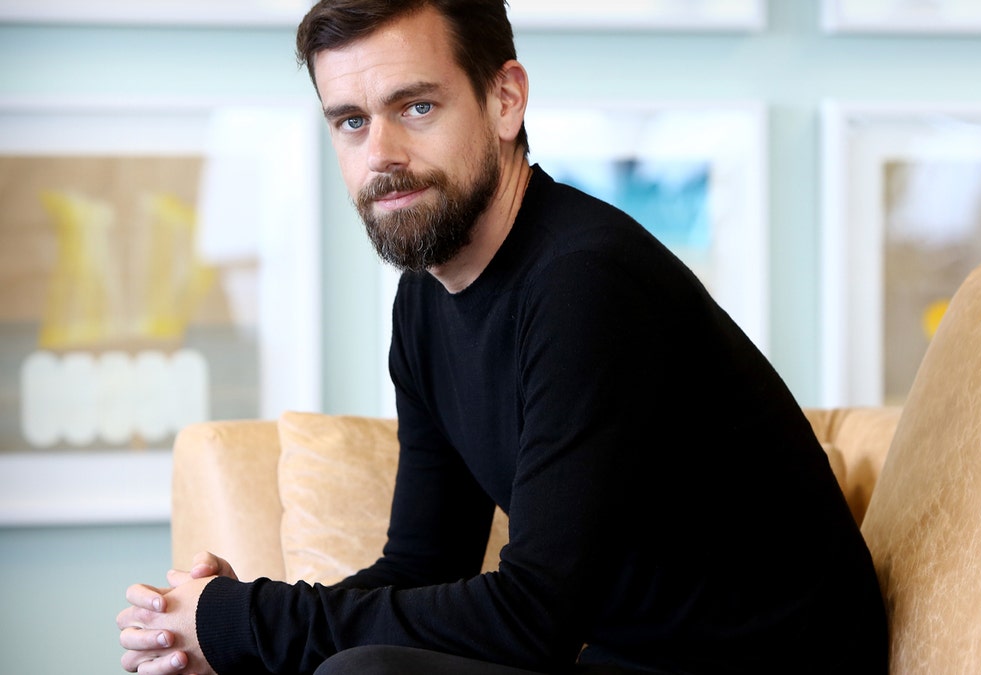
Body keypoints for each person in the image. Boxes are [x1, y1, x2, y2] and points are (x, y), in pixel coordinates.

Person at [117, 1, 889, 673]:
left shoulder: (586, 282)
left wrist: (247, 622)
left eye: (415, 107)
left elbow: (533, 617)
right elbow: (425, 563)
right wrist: (224, 629)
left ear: (505, 100)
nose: (379, 152)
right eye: (351, 121)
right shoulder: (424, 297)